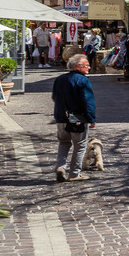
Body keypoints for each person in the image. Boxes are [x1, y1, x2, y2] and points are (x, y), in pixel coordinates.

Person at [51, 54, 97, 183]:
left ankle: (60, 167)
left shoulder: (60, 79)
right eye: (86, 65)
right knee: (80, 145)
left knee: (64, 142)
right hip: (77, 118)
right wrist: (91, 118)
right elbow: (87, 101)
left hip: (60, 117)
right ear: (78, 66)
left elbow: (54, 97)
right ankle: (74, 173)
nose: (89, 67)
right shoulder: (82, 80)